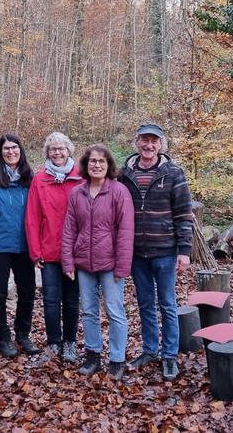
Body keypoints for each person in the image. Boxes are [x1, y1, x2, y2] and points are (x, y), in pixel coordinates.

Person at [121, 123, 193, 381]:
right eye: (144, 140)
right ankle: (150, 350)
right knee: (145, 305)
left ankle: (169, 356)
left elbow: (185, 214)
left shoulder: (173, 173)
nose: (148, 145)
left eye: (154, 141)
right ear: (137, 142)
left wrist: (184, 251)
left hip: (165, 251)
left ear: (161, 144)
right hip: (137, 254)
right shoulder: (124, 173)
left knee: (167, 305)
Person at [62, 144, 134, 380]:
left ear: (109, 165)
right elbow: (69, 230)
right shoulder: (77, 192)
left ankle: (117, 359)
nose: (97, 165)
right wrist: (68, 262)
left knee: (115, 311)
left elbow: (125, 231)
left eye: (102, 161)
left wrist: (122, 266)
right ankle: (93, 355)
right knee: (89, 312)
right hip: (83, 263)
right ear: (86, 164)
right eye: (93, 161)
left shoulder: (119, 191)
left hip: (111, 264)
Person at [0, 134, 40, 358]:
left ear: (21, 150)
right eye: (6, 148)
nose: (10, 152)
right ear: (0, 152)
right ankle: (2, 337)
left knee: (28, 292)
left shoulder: (31, 178)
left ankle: (22, 334)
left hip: (25, 247)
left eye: (14, 148)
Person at [24, 132, 83, 363]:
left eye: (61, 148)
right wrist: (35, 252)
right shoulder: (40, 180)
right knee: (50, 300)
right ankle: (53, 342)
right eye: (52, 149)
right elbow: (32, 218)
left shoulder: (81, 178)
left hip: (75, 253)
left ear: (69, 150)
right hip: (47, 252)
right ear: (47, 153)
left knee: (71, 300)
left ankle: (70, 342)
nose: (57, 153)